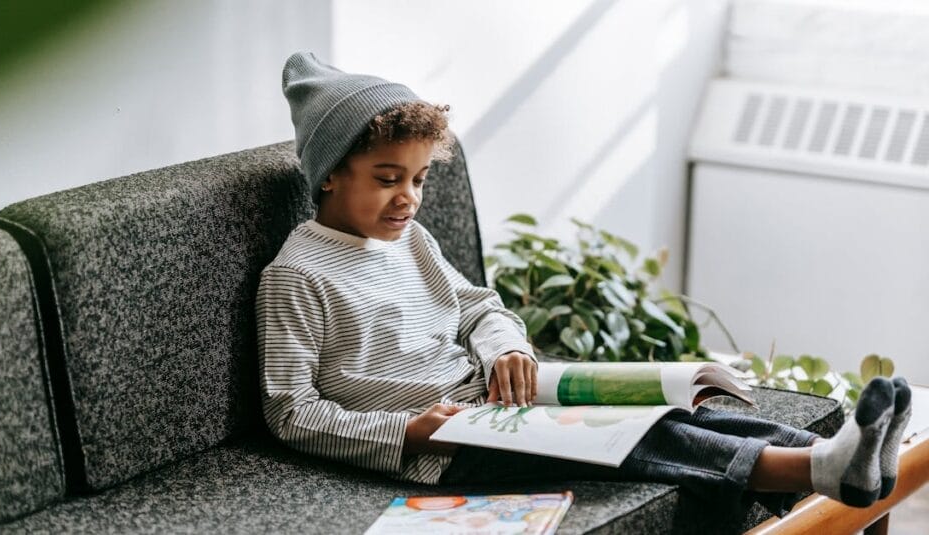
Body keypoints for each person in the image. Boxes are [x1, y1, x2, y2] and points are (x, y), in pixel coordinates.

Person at [257, 51, 912, 516]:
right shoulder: (296, 276)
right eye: (387, 177)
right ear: (330, 176)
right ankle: (818, 470)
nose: (409, 198)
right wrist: (409, 430)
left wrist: (503, 347)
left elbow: (478, 305)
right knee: (633, 437)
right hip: (442, 445)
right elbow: (292, 413)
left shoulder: (412, 242)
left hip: (497, 400)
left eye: (420, 179)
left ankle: (845, 451)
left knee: (678, 407)